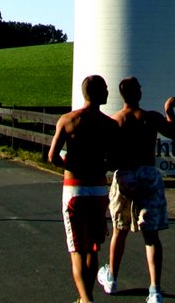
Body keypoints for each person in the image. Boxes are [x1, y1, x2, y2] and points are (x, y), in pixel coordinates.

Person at [97, 77, 175, 303]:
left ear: (122, 95)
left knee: (119, 230)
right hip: (148, 174)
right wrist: (169, 110)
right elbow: (174, 132)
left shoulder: (116, 121)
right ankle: (155, 290)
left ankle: (112, 279)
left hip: (125, 176)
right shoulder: (151, 118)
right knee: (151, 235)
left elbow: (107, 155)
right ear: (138, 94)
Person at [48, 74, 120, 303]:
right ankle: (84, 298)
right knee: (93, 246)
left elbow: (52, 156)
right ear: (98, 93)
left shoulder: (68, 120)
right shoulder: (109, 124)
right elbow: (115, 158)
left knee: (77, 249)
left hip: (75, 188)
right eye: (106, 89)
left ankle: (86, 300)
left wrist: (70, 165)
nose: (109, 92)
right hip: (98, 188)